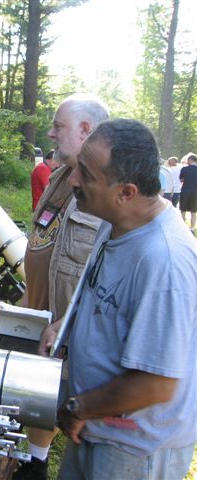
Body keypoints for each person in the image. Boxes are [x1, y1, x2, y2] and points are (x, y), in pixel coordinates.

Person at [57, 118, 196, 479]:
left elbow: (156, 384)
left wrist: (78, 406)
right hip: (97, 429)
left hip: (134, 451)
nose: (73, 180)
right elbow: (106, 297)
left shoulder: (164, 261)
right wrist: (65, 326)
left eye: (86, 175)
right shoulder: (115, 222)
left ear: (126, 192)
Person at [14, 94, 109, 480]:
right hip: (37, 310)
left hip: (68, 326)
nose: (51, 133)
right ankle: (31, 458)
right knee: (31, 393)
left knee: (61, 399)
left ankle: (38, 462)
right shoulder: (58, 177)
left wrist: (70, 319)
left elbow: (104, 271)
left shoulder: (105, 189)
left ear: (86, 130)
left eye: (58, 126)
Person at [179, 152, 197, 234]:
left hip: (185, 191)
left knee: (183, 210)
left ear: (190, 160)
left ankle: (183, 227)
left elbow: (181, 180)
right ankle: (192, 228)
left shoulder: (184, 169)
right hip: (195, 192)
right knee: (193, 212)